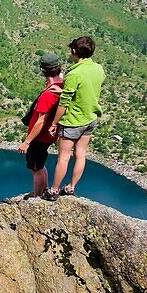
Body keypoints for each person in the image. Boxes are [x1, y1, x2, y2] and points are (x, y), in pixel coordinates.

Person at [43, 36, 104, 201]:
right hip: (90, 118)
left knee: (64, 156)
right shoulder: (98, 69)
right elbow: (87, 90)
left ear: (75, 52)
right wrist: (65, 91)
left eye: (71, 50)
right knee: (81, 154)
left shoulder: (74, 73)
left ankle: (53, 191)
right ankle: (70, 187)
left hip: (73, 121)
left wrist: (54, 123)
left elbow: (64, 103)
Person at [17, 53, 64, 198]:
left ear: (42, 70)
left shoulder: (48, 95)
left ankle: (37, 197)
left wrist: (26, 142)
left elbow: (40, 121)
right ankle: (44, 189)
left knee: (35, 168)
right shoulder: (62, 85)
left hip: (39, 138)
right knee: (40, 165)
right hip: (48, 137)